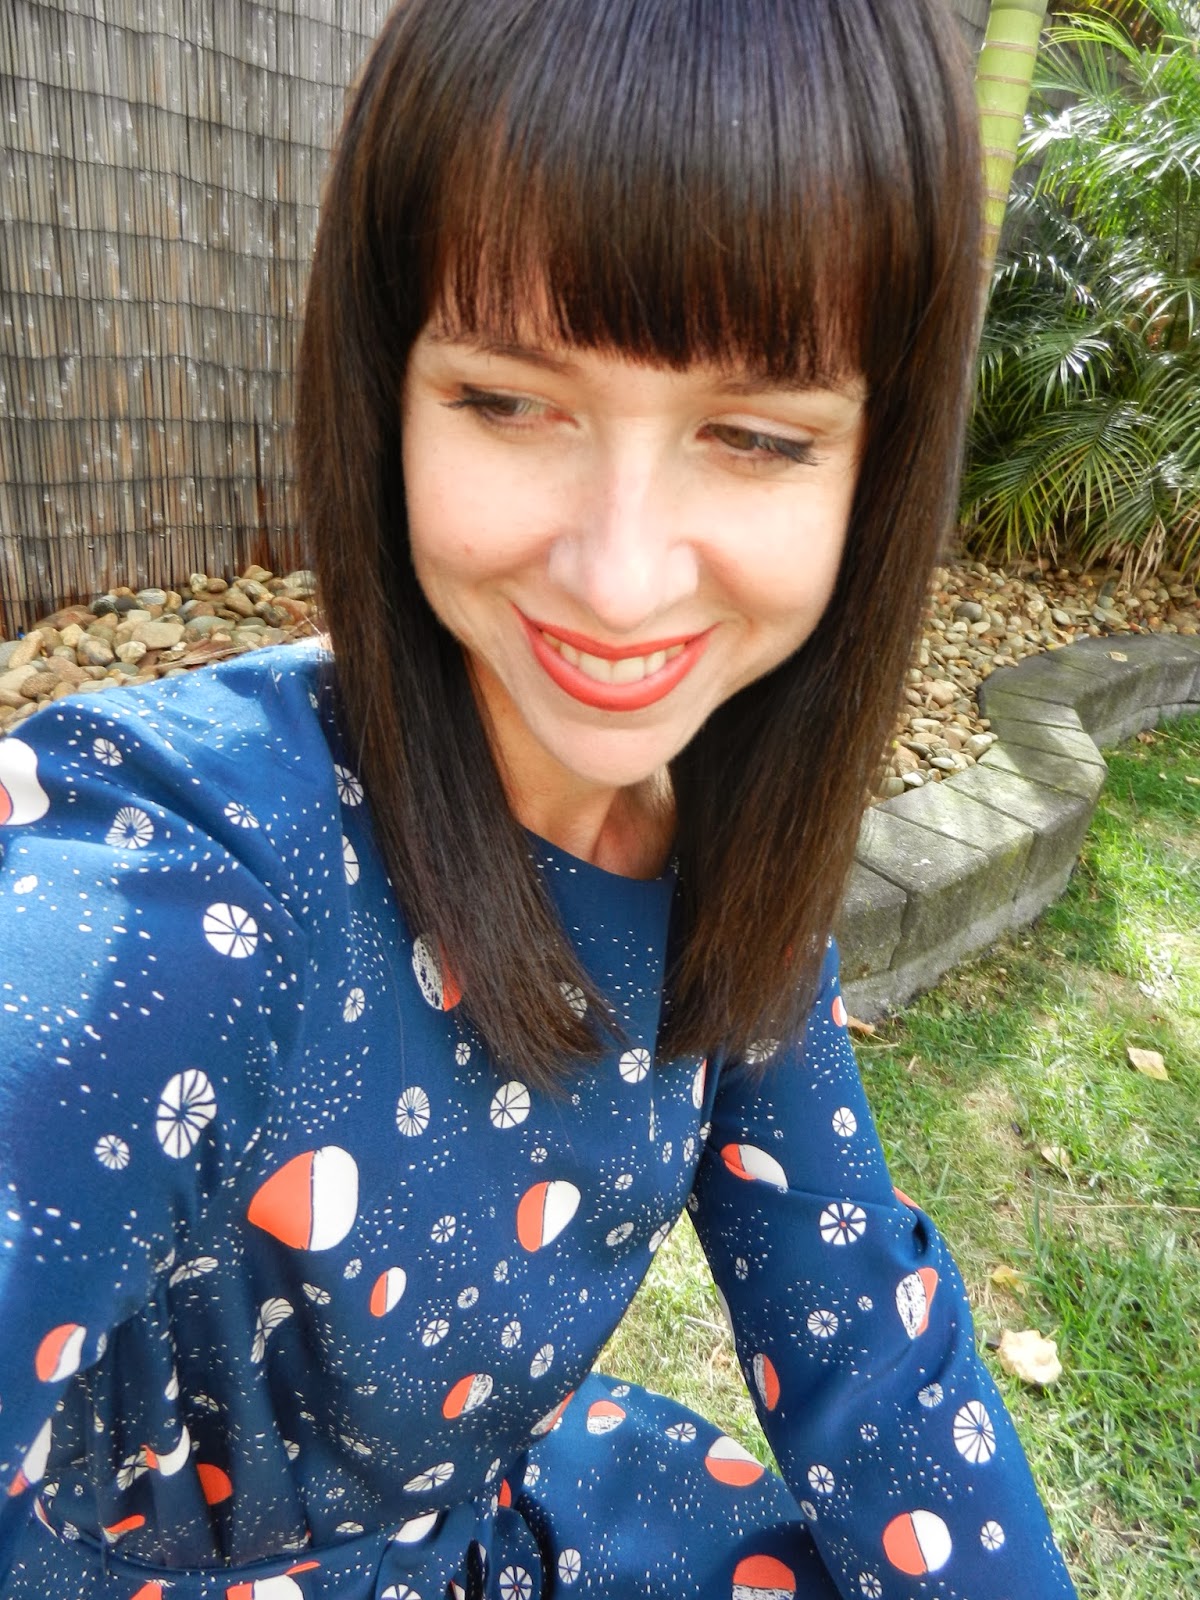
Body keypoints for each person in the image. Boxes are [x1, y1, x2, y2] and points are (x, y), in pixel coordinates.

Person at [0, 0, 1079, 1596]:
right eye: (509, 401)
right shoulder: (176, 892)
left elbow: (863, 1329)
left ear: (881, 466)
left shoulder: (721, 860)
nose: (619, 577)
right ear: (385, 384)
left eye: (756, 435)